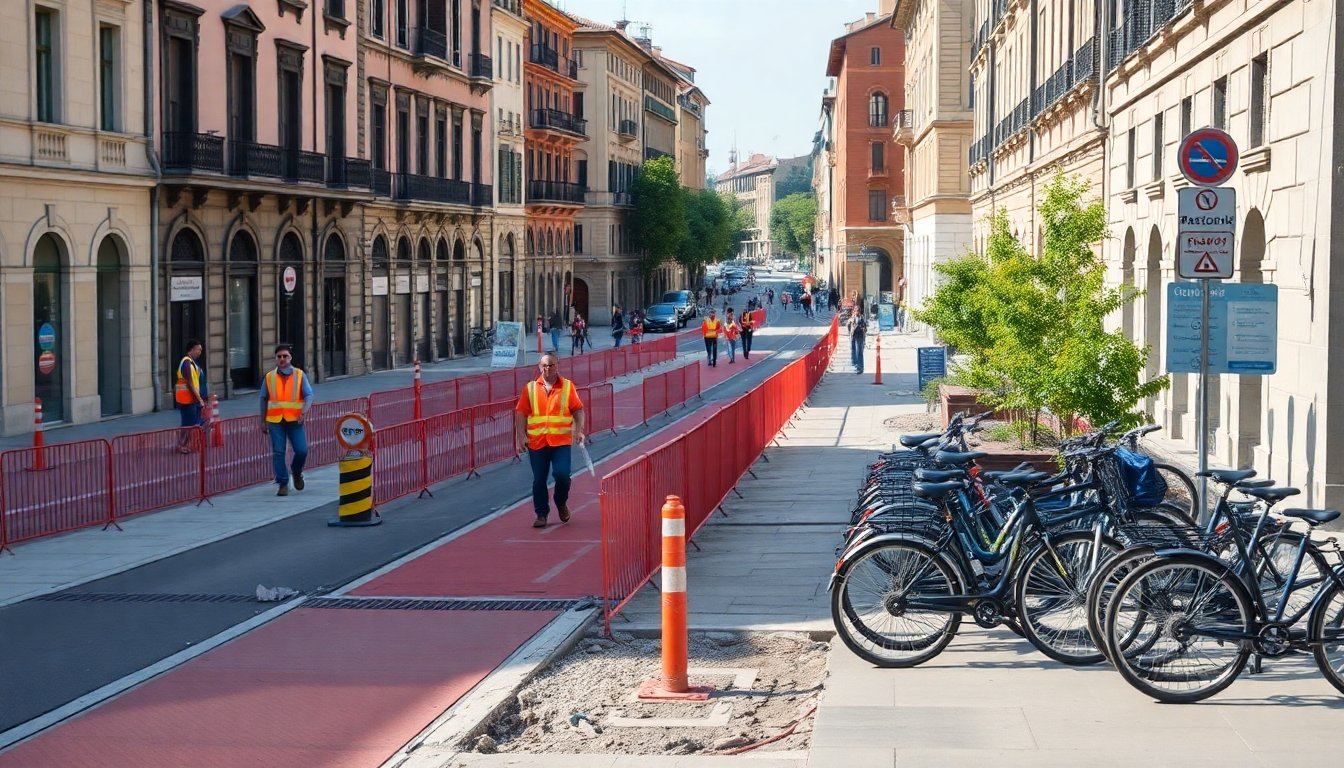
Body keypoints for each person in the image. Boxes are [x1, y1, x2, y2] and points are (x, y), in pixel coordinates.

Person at [514, 352, 585, 529]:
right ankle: (541, 514)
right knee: (539, 479)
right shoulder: (530, 388)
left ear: (557, 366)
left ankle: (561, 502)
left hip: (560, 442)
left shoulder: (567, 387)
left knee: (562, 475)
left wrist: (579, 430)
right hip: (537, 442)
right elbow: (521, 412)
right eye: (544, 365)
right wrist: (521, 436)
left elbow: (578, 409)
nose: (548, 368)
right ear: (539, 367)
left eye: (551, 365)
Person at [260, 343, 312, 496]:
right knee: (278, 452)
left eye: (285, 356)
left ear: (290, 358)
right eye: (279, 356)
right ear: (276, 359)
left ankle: (296, 471)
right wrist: (262, 421)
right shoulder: (269, 377)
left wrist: (304, 411)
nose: (282, 359)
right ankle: (283, 483)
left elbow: (309, 395)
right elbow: (263, 399)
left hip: (295, 420)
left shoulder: (300, 375)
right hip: (275, 420)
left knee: (302, 450)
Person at [174, 339, 206, 453]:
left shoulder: (192, 363)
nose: (200, 352)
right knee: (188, 422)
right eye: (198, 349)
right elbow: (190, 383)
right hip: (187, 399)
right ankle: (181, 444)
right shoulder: (186, 362)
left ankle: (184, 444)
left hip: (191, 399)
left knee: (192, 422)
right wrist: (199, 399)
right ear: (192, 349)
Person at [848, 310, 868, 375]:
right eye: (855, 311)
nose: (856, 313)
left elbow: (865, 329)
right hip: (854, 336)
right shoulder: (852, 319)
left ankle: (860, 368)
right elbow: (848, 326)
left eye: (857, 311)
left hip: (859, 336)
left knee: (859, 352)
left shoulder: (861, 319)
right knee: (854, 351)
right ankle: (856, 365)